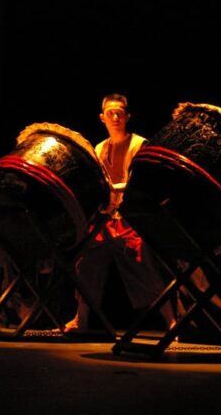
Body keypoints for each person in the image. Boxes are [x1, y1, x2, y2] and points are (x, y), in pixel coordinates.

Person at [63, 94, 175, 333]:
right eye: (111, 113)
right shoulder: (99, 148)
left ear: (127, 116)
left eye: (120, 113)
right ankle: (80, 319)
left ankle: (172, 322)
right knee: (86, 264)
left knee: (142, 266)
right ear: (102, 117)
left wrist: (114, 188)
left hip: (129, 217)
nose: (115, 117)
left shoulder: (139, 144)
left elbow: (140, 182)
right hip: (105, 217)